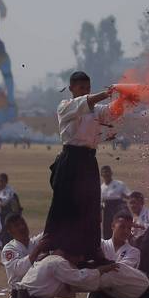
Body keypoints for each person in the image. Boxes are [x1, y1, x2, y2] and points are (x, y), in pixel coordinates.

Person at [44, 71, 118, 261]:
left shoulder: (96, 110)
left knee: (92, 206)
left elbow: (111, 113)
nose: (85, 91)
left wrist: (126, 98)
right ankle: (53, 247)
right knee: (64, 205)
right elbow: (84, 103)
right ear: (71, 89)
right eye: (81, 88)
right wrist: (107, 92)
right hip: (70, 160)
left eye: (88, 88)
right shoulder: (65, 106)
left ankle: (92, 250)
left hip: (88, 160)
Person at [0, 213, 43, 298]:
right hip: (20, 297)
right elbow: (19, 270)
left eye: (22, 223)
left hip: (40, 294)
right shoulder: (9, 249)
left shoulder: (35, 243)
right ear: (10, 231)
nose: (22, 227)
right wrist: (38, 250)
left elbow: (50, 233)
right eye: (17, 225)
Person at [0, 173, 21, 242]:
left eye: (2, 181)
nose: (0, 183)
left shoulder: (9, 190)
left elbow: (4, 202)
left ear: (6, 182)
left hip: (8, 214)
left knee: (6, 234)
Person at [100, 166, 131, 240]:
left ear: (111, 173)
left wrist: (126, 196)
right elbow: (100, 202)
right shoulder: (101, 188)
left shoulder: (119, 184)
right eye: (104, 172)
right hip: (107, 209)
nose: (106, 174)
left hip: (119, 207)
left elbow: (129, 196)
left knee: (121, 227)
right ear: (101, 174)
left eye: (107, 172)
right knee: (108, 230)